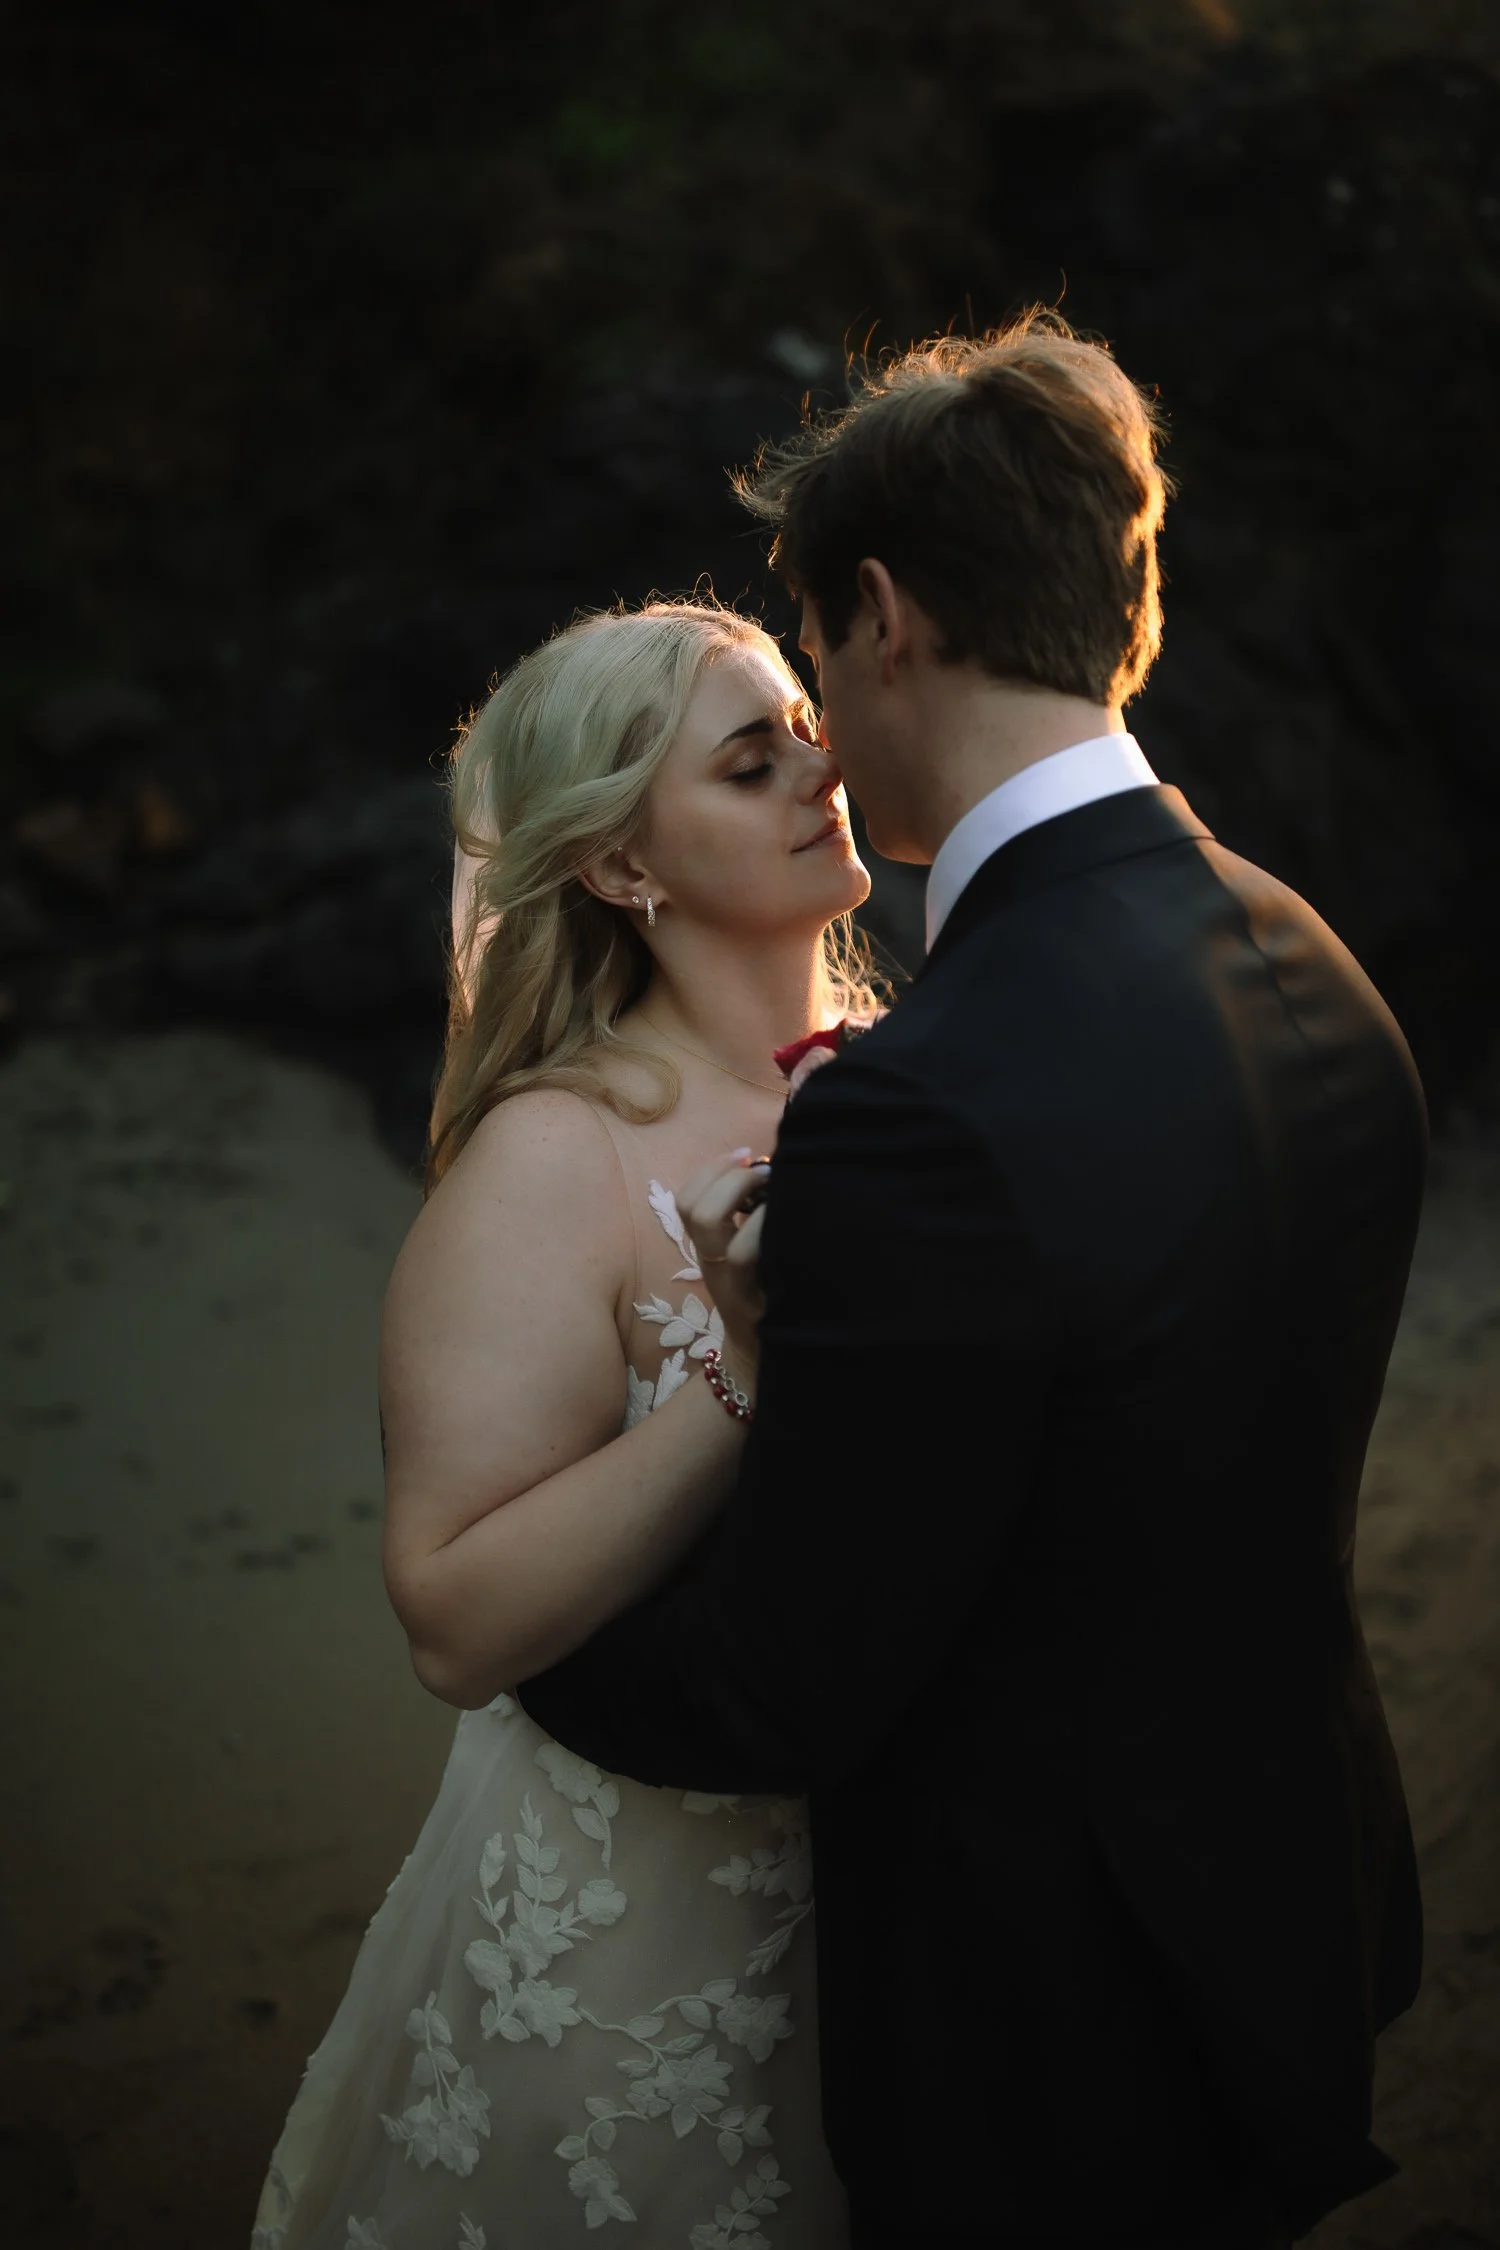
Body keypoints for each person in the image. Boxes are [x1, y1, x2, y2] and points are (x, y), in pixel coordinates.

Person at [516, 315, 1428, 2249]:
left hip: (1050, 2027)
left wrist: (528, 1658)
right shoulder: (1319, 967)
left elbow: (793, 1670)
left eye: (817, 672)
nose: (823, 739)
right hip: (1292, 1905)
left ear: (881, 616)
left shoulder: (930, 1100)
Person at [251, 598, 878, 2249]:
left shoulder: (908, 1077)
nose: (825, 766)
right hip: (640, 1943)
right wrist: (740, 1367)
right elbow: (452, 1617)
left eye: (810, 723)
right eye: (755, 761)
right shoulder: (561, 1155)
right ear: (621, 869)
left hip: (901, 1904)